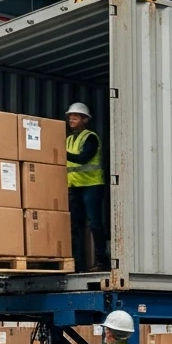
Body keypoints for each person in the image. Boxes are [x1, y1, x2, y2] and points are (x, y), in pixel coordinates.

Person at [66, 102, 109, 272]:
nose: (71, 119)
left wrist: (61, 153)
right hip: (74, 186)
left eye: (75, 117)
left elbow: (84, 158)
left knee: (94, 223)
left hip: (92, 186)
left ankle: (101, 260)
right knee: (75, 225)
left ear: (85, 119)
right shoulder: (68, 140)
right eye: (70, 117)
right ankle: (78, 263)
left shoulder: (90, 137)